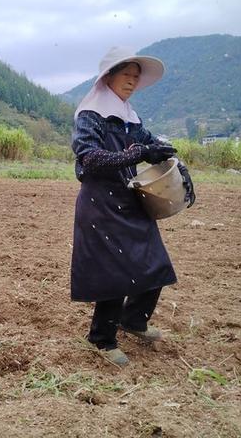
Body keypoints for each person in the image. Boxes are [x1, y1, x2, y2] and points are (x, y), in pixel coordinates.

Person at [70, 46, 195, 366]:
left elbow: (151, 145)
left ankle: (134, 320)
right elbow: (90, 158)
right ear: (108, 77)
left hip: (128, 197)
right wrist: (137, 154)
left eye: (136, 77)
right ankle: (101, 339)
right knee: (115, 273)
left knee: (154, 261)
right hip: (100, 202)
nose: (131, 81)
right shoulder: (90, 114)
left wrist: (171, 159)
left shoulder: (130, 117)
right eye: (126, 75)